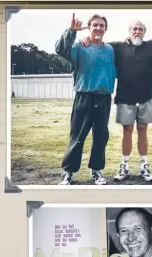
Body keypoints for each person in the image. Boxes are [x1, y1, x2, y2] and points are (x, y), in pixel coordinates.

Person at [91, 21, 152, 183]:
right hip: (125, 96)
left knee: (143, 129)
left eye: (140, 29)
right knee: (127, 131)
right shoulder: (118, 47)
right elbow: (98, 43)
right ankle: (124, 167)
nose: (137, 31)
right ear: (129, 31)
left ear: (144, 32)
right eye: (134, 29)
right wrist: (85, 39)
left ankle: (145, 167)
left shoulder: (151, 46)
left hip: (147, 95)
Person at [55, 13, 116, 186]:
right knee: (77, 136)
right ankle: (68, 172)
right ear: (89, 27)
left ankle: (96, 171)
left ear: (106, 29)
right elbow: (61, 49)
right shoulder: (80, 47)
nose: (98, 28)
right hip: (84, 96)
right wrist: (71, 31)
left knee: (101, 136)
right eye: (95, 25)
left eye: (101, 25)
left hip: (103, 98)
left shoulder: (109, 49)